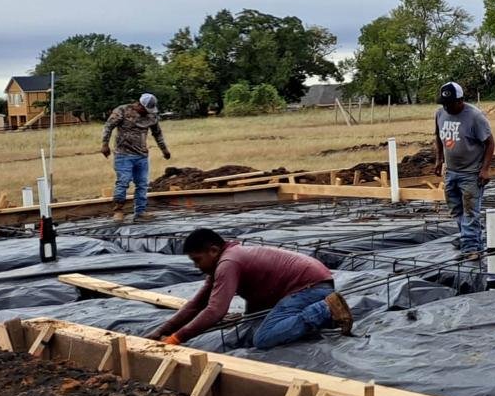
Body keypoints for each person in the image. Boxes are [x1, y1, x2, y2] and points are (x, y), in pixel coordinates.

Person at [157, 228, 352, 349]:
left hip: (311, 287)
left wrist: (176, 338)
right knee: (256, 324)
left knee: (263, 338)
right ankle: (322, 314)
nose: (196, 267)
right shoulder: (226, 260)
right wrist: (160, 332)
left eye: (197, 260)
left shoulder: (228, 262)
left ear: (214, 251)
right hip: (311, 283)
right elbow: (196, 305)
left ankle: (324, 309)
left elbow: (215, 311)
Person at [433, 81, 495, 260]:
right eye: (444, 103)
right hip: (451, 172)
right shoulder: (440, 114)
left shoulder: (475, 117)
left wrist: (485, 170)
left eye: (450, 103)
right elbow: (438, 136)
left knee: (470, 211)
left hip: (471, 173)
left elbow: (490, 143)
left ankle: (470, 249)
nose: (447, 107)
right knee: (456, 210)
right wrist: (439, 159)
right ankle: (475, 242)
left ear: (460, 101)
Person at [101, 92, 173, 222]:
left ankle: (140, 211)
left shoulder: (151, 116)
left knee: (142, 184)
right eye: (145, 109)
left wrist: (164, 150)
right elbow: (108, 126)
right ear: (139, 105)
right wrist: (105, 144)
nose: (147, 112)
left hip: (141, 155)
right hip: (123, 154)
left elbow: (157, 133)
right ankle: (118, 210)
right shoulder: (122, 110)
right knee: (123, 182)